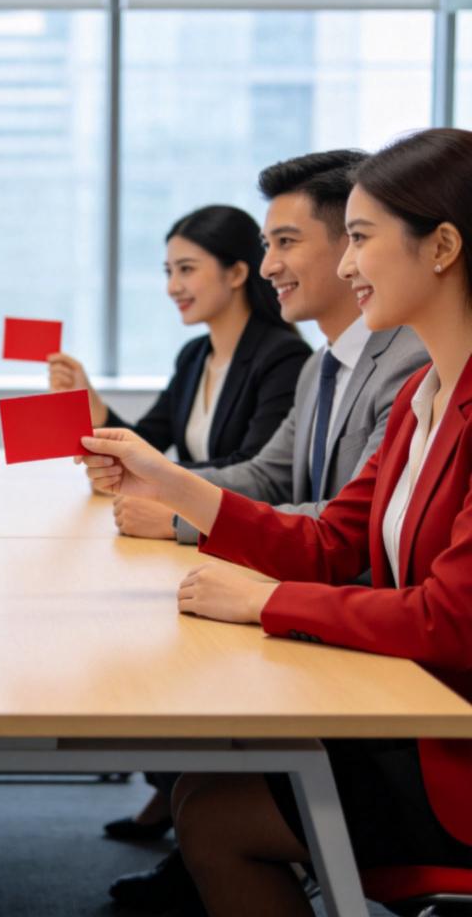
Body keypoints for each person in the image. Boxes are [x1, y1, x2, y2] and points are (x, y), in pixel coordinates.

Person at [80, 127, 472, 917]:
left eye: (359, 239)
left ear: (442, 247)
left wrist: (263, 601)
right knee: (203, 791)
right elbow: (335, 542)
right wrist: (173, 483)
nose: (350, 263)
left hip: (450, 754)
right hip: (414, 712)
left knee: (218, 816)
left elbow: (450, 618)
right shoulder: (419, 397)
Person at [49, 205, 311, 471]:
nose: (172, 287)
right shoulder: (193, 356)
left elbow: (252, 471)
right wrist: (89, 402)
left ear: (236, 274)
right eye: (169, 271)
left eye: (186, 269)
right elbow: (146, 443)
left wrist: (156, 480)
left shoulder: (284, 358)